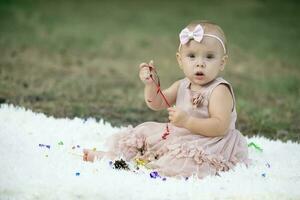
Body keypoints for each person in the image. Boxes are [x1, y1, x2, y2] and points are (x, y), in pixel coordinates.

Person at [83, 20, 250, 178]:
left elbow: (220, 127)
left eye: (209, 57)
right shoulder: (182, 85)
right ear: (180, 60)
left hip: (210, 142)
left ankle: (142, 167)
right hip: (181, 133)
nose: (200, 64)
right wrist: (150, 85)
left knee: (185, 161)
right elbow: (157, 103)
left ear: (222, 62)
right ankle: (117, 158)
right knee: (142, 137)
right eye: (192, 56)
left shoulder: (219, 90)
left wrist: (187, 121)